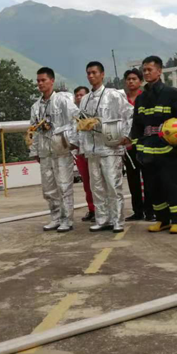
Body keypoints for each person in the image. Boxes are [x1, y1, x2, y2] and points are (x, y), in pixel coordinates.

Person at [129, 56, 177, 234]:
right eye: (144, 70)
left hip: (168, 149)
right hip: (147, 151)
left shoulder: (171, 93)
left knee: (171, 185)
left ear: (159, 71)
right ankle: (162, 219)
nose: (146, 73)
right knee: (153, 188)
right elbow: (136, 125)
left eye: (150, 70)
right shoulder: (141, 98)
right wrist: (136, 147)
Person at [77, 62, 133, 233]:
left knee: (113, 185)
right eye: (88, 73)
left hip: (110, 148)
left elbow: (130, 113)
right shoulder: (85, 99)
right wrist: (82, 147)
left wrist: (126, 136)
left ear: (102, 74)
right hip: (92, 149)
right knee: (97, 187)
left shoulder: (113, 95)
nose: (91, 76)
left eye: (94, 72)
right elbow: (80, 123)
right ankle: (102, 219)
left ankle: (117, 220)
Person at [29, 68, 80, 232]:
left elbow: (76, 119)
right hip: (45, 152)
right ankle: (55, 217)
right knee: (49, 188)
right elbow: (33, 130)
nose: (40, 84)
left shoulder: (63, 101)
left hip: (61, 150)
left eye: (43, 80)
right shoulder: (35, 107)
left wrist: (71, 141)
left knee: (64, 186)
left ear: (52, 81)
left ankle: (67, 219)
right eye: (38, 81)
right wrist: (35, 151)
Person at [122, 68, 152, 221]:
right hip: (128, 146)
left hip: (144, 144)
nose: (131, 81)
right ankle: (138, 211)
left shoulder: (146, 98)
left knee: (148, 178)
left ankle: (150, 211)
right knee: (133, 179)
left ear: (140, 81)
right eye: (128, 79)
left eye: (134, 79)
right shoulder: (121, 100)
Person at [73, 86, 96, 222]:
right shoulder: (73, 115)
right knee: (86, 183)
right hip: (80, 153)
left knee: (97, 181)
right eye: (76, 95)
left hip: (93, 152)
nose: (79, 97)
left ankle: (102, 210)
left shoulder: (93, 111)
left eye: (81, 95)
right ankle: (92, 209)